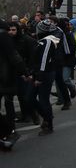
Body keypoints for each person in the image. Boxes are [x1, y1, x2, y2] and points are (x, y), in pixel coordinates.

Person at [0, 21, 30, 149]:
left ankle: (8, 130)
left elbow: (14, 57)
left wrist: (25, 72)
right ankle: (7, 131)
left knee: (8, 102)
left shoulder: (3, 37)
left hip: (4, 78)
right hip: (5, 77)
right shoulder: (5, 37)